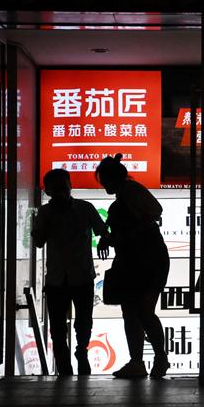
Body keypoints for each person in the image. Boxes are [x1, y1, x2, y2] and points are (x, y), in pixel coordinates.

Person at [96, 154, 170, 379]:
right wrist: (111, 238)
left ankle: (157, 358)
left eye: (104, 180)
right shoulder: (125, 195)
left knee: (142, 311)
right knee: (133, 312)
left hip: (146, 260)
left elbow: (153, 214)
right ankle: (140, 361)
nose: (103, 185)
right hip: (136, 261)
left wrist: (117, 238)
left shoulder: (131, 192)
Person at [31, 168, 107, 375]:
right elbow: (38, 242)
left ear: (70, 186)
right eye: (56, 189)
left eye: (63, 187)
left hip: (81, 275)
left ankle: (81, 352)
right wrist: (46, 220)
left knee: (84, 321)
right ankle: (65, 367)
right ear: (48, 192)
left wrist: (104, 242)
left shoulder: (85, 208)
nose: (61, 192)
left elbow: (103, 232)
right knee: (57, 327)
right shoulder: (45, 212)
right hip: (57, 278)